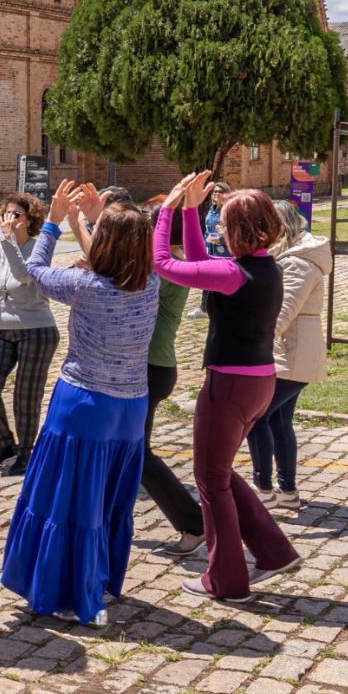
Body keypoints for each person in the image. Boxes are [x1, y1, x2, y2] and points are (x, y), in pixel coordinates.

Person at [0, 181, 159, 626]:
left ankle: (72, 593)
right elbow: (114, 259)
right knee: (105, 501)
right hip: (130, 410)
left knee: (70, 501)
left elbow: (35, 268)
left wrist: (51, 222)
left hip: (84, 405)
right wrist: (85, 221)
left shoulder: (83, 286)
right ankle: (98, 579)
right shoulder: (150, 283)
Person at [154, 172, 301, 603]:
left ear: (239, 229)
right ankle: (273, 552)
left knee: (209, 478)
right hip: (259, 383)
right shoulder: (263, 267)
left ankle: (225, 579)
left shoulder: (234, 273)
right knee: (220, 473)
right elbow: (202, 268)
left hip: (230, 386)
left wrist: (164, 213)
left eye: (222, 220)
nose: (217, 224)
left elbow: (166, 264)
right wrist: (188, 211)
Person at [245, 201, 330, 511]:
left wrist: (256, 343)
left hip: (292, 355)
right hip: (290, 352)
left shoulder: (298, 262)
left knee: (258, 416)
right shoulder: (292, 256)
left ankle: (264, 486)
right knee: (280, 421)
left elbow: (283, 312)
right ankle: (288, 491)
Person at [0, 192, 58, 477]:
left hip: (37, 330)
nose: (8, 220)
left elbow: (23, 275)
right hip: (2, 329)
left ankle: (26, 453)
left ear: (30, 220)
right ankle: (5, 443)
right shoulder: (0, 249)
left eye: (15, 215)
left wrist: (8, 241)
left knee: (25, 397)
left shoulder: (38, 248)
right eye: (5, 215)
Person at [140, 203, 207, 558]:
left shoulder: (163, 270)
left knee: (137, 455)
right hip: (156, 366)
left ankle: (193, 523)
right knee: (123, 451)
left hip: (150, 368)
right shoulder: (170, 265)